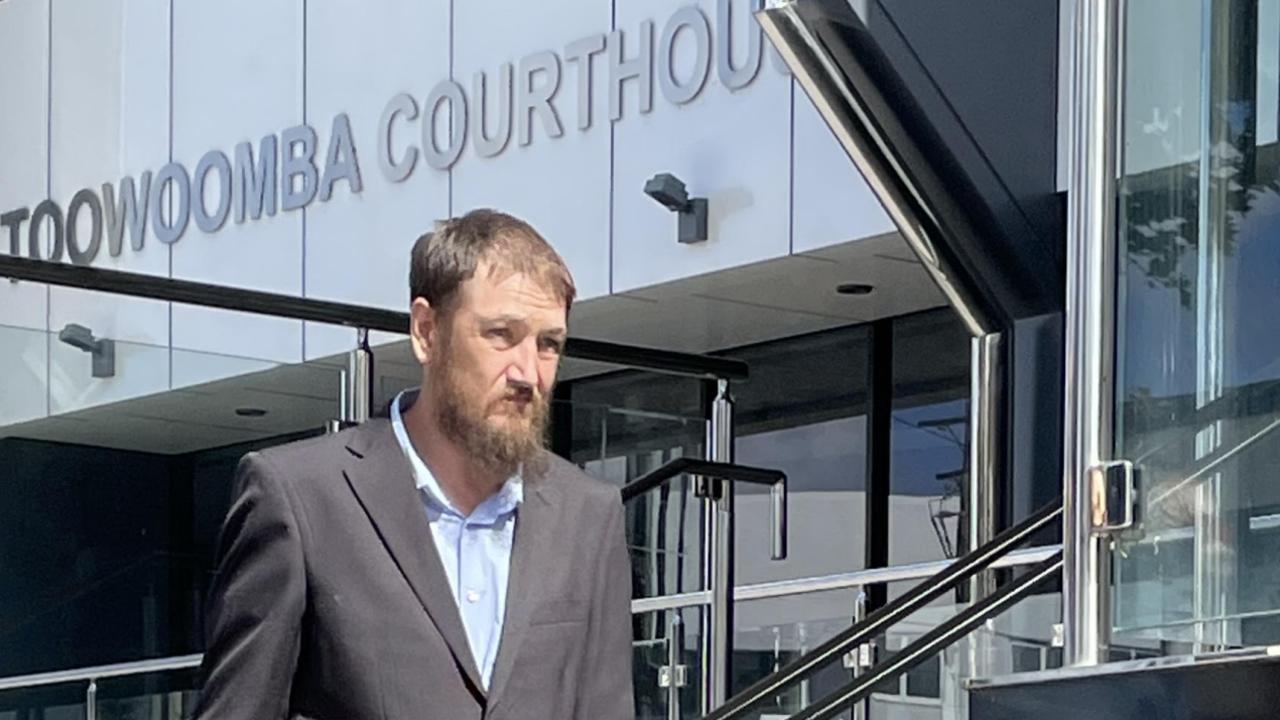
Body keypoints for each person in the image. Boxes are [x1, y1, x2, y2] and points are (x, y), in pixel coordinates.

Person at [194, 209, 635, 719]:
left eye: (548, 344)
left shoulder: (588, 515)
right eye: (500, 334)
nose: (528, 372)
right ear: (427, 332)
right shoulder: (301, 498)